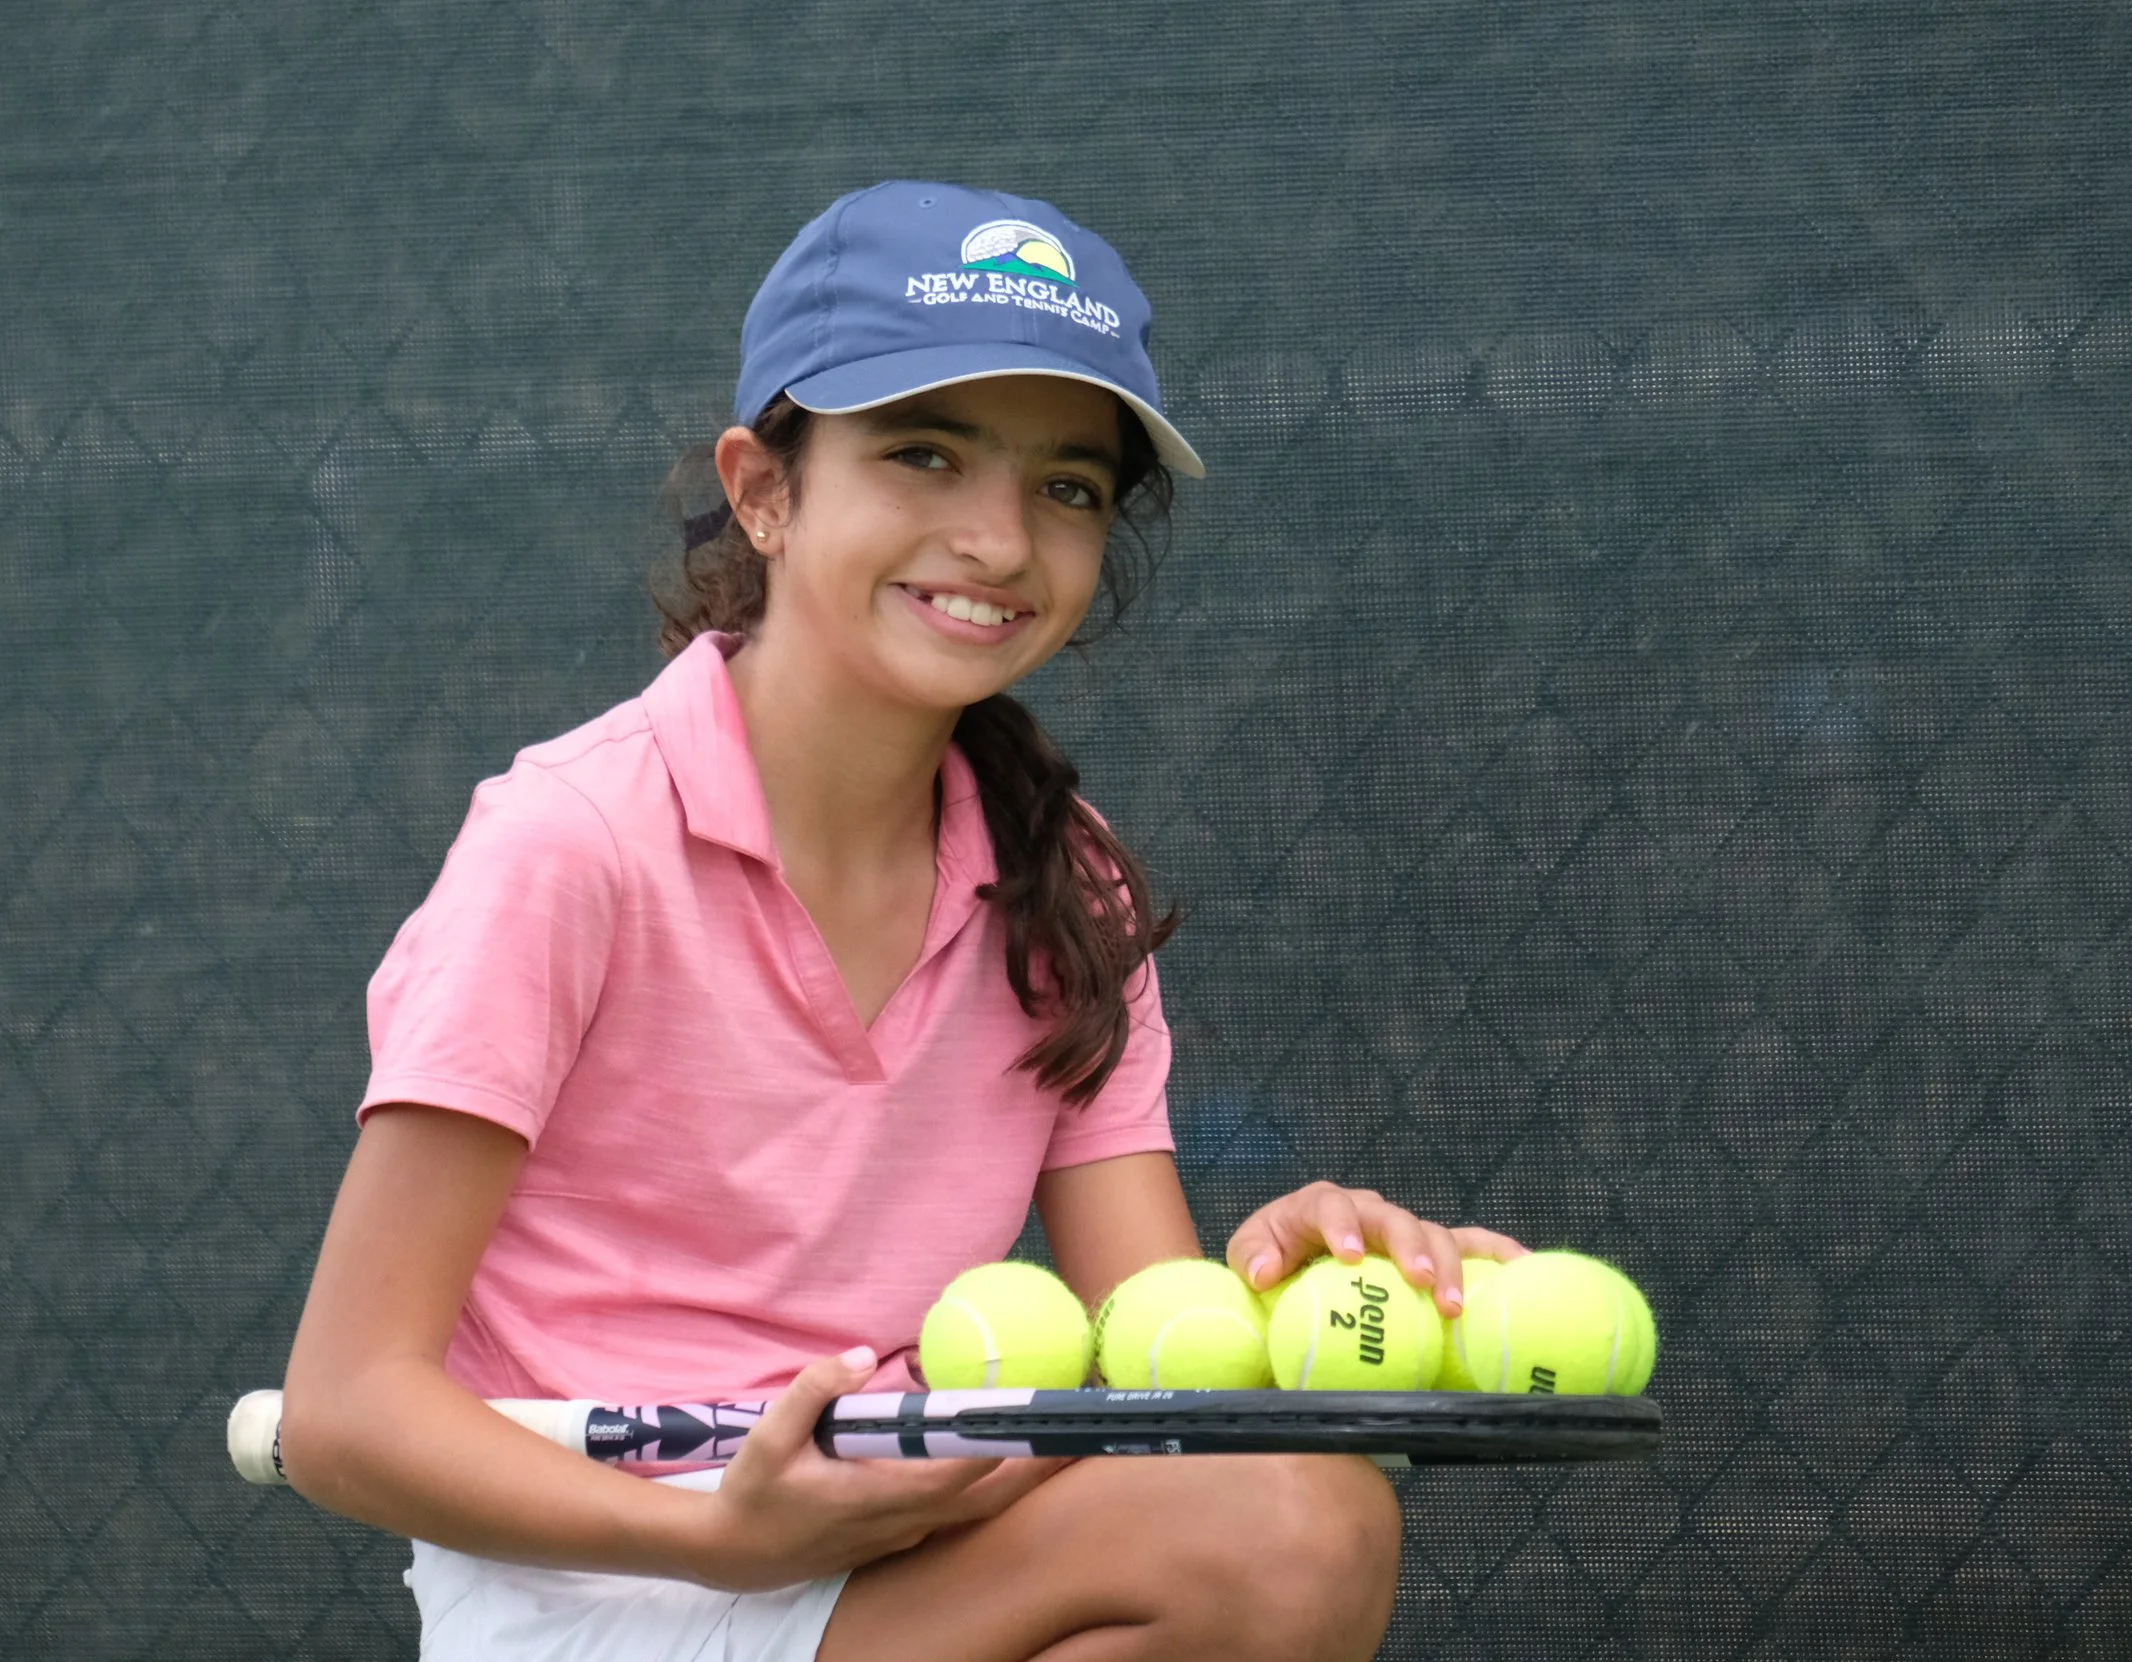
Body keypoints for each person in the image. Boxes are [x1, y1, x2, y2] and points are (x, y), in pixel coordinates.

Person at [279, 180, 1526, 1662]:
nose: (998, 540)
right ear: (764, 489)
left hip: (901, 1548)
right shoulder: (570, 841)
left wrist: (1279, 1289)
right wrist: (719, 1536)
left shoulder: (1068, 880)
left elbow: (1159, 1356)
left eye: (1068, 487)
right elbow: (343, 1411)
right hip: (604, 1595)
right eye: (924, 454)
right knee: (1287, 1531)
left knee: (1300, 1524)